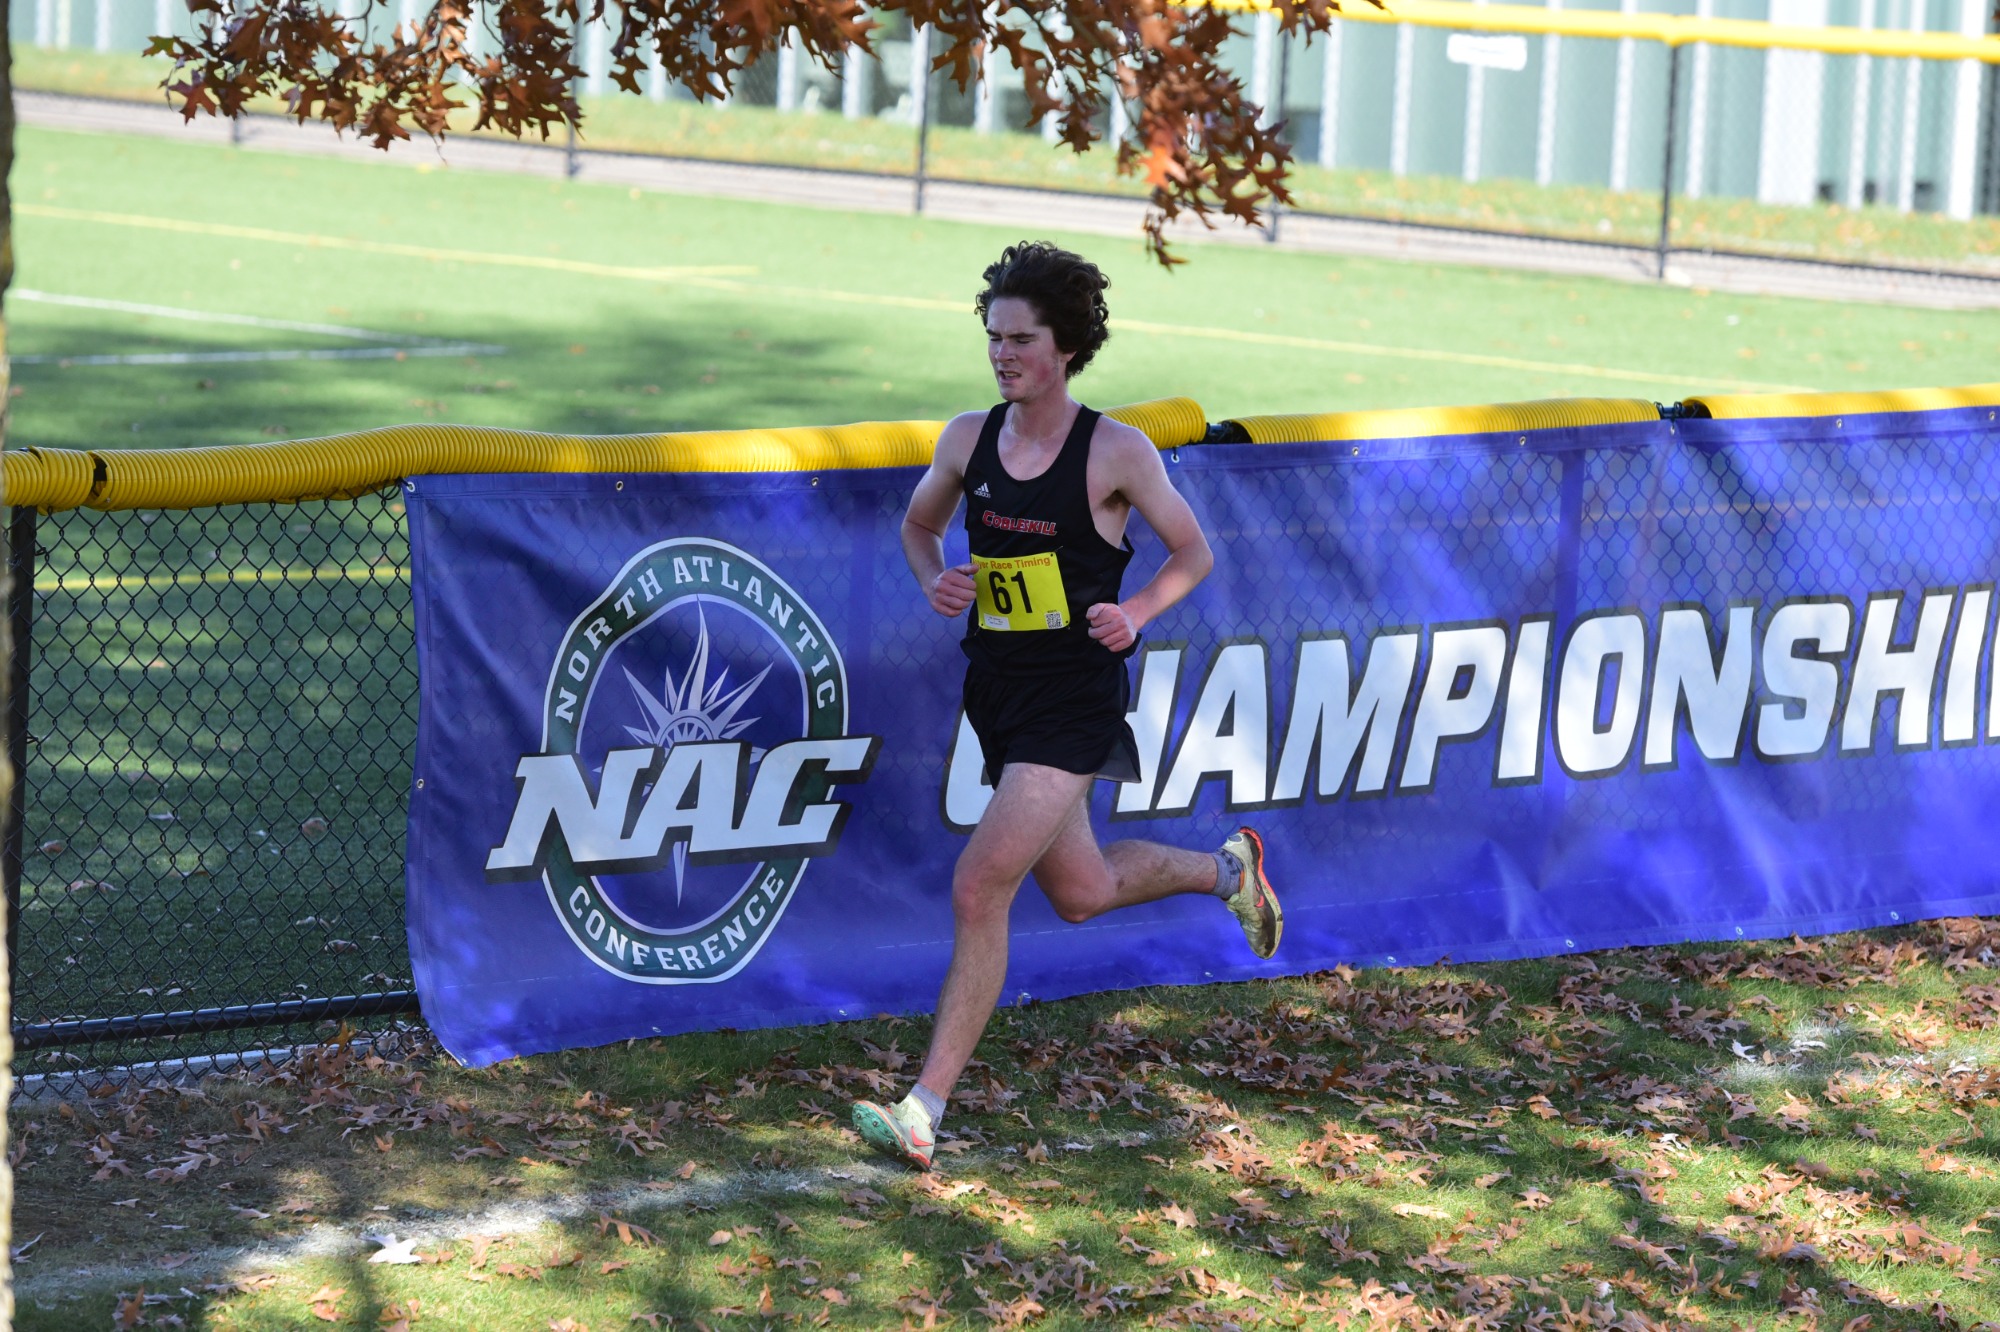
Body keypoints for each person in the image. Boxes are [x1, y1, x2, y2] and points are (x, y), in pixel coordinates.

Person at [850, 241, 1282, 1171]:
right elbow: (919, 525)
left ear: (1067, 348)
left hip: (1074, 700)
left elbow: (1193, 553)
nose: (1003, 355)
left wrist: (1134, 611)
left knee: (979, 884)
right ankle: (1228, 872)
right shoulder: (968, 439)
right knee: (1081, 894)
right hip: (996, 692)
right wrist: (936, 580)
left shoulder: (1116, 451)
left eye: (1022, 340)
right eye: (994, 337)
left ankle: (924, 1107)